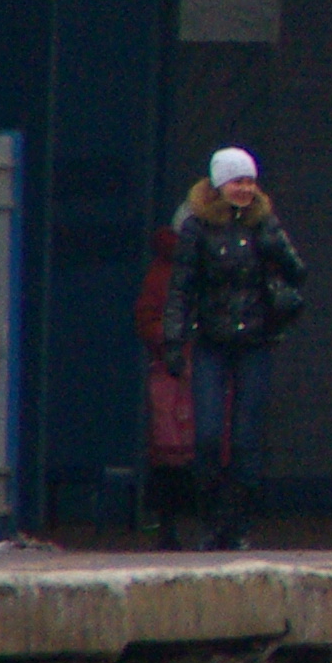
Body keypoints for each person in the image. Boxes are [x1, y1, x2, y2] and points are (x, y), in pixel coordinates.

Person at [159, 147, 306, 551]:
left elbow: (297, 270)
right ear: (219, 184)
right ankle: (211, 518)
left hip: (255, 341)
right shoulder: (197, 228)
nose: (246, 189)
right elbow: (181, 289)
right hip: (211, 341)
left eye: (250, 181)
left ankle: (240, 524)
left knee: (246, 439)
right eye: (238, 181)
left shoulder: (264, 224)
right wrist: (174, 341)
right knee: (206, 436)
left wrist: (276, 252)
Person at [132, 225, 197, 543]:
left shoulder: (162, 270)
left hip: (187, 368)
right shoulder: (164, 272)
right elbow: (147, 319)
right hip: (175, 371)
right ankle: (170, 527)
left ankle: (182, 526)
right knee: (171, 451)